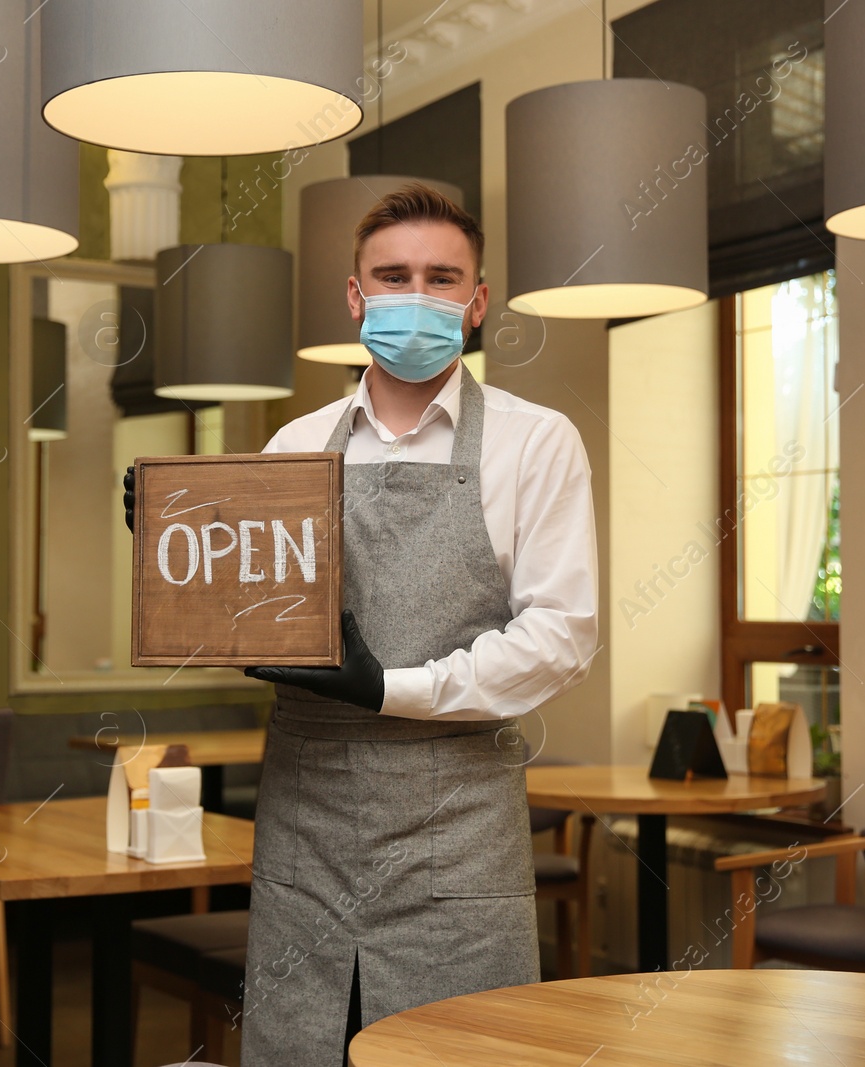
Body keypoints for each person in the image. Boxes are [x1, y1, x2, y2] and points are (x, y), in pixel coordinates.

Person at [124, 183, 597, 1066]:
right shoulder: (293, 446)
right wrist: (172, 534)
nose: (416, 295)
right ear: (355, 297)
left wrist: (390, 688)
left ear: (477, 301)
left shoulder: (537, 443)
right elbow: (245, 631)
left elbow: (561, 636)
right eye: (393, 276)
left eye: (441, 277)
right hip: (305, 832)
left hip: (455, 844)